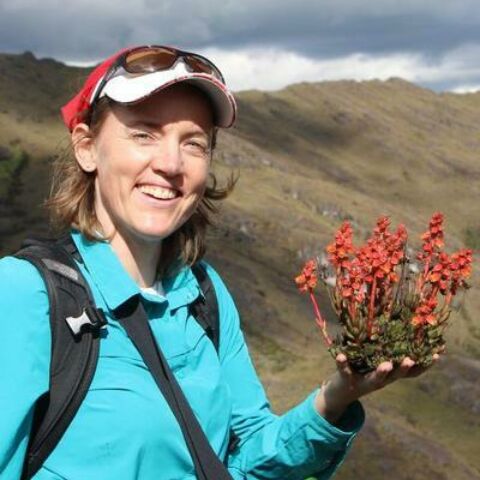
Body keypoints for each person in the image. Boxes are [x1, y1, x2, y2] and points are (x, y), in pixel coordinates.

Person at [0, 45, 439, 480]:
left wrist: (337, 398)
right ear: (87, 147)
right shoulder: (27, 293)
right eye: (144, 134)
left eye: (193, 143)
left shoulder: (202, 293)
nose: (171, 164)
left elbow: (247, 459)